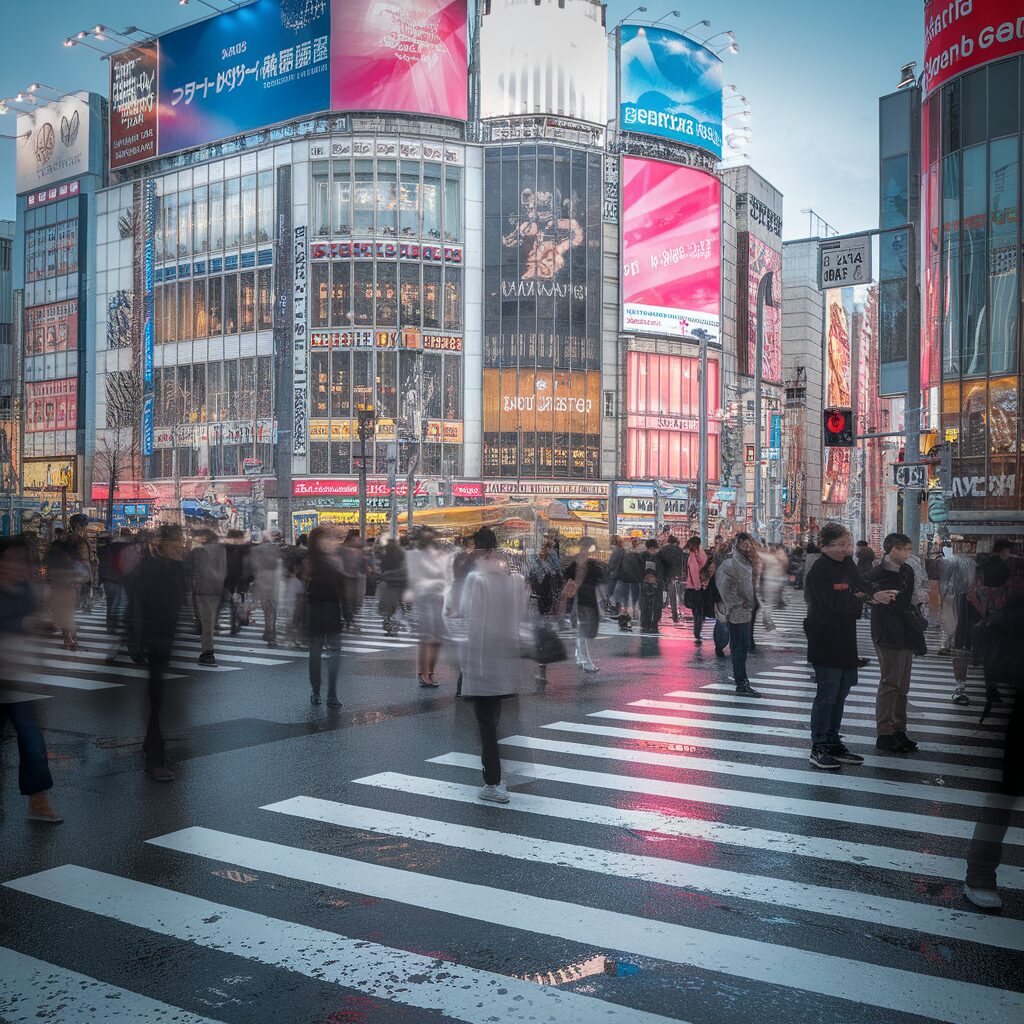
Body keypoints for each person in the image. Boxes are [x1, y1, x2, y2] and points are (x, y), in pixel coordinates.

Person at [804, 522, 897, 770]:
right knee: (827, 693)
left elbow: (860, 584)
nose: (848, 549)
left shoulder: (845, 564)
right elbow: (837, 605)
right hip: (824, 639)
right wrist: (861, 599)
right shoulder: (820, 570)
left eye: (848, 543)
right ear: (826, 546)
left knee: (842, 691)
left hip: (845, 639)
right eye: (842, 545)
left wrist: (875, 594)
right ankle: (819, 746)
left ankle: (833, 741)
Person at [458, 527, 527, 804]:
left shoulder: (477, 579)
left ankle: (493, 783)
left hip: (483, 663)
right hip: (504, 661)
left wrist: (471, 670)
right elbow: (520, 616)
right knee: (494, 722)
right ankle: (498, 776)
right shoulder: (512, 578)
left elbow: (473, 623)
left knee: (486, 727)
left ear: (478, 549)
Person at [0, 536, 61, 822]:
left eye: (19, 562)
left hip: (20, 679)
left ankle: (38, 802)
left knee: (32, 743)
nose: (15, 567)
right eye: (8, 561)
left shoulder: (28, 592)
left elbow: (38, 626)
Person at [131, 525, 187, 781]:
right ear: (162, 546)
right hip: (152, 639)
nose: (180, 547)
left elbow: (177, 604)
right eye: (175, 543)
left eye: (181, 542)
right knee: (158, 701)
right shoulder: (150, 569)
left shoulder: (178, 568)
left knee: (160, 700)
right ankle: (156, 758)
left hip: (166, 639)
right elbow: (137, 605)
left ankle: (150, 743)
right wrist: (135, 641)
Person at [867, 533, 923, 754]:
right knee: (890, 683)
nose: (909, 553)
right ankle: (885, 733)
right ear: (893, 550)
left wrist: (919, 599)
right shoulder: (878, 572)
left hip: (906, 631)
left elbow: (908, 600)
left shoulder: (907, 570)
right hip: (887, 632)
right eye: (905, 549)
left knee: (902, 685)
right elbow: (868, 596)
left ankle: (900, 729)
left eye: (909, 549)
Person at [716, 533, 760, 696]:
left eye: (749, 545)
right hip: (737, 610)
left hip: (746, 609)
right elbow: (724, 586)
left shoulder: (746, 561)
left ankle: (741, 680)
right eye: (744, 545)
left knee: (742, 647)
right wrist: (735, 604)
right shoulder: (731, 562)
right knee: (738, 648)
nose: (748, 547)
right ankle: (741, 682)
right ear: (737, 545)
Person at [304, 526, 344, 708]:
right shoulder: (311, 561)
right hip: (316, 608)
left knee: (333, 652)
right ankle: (317, 690)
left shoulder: (334, 560)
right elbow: (303, 586)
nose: (330, 542)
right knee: (316, 653)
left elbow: (343, 588)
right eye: (326, 539)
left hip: (333, 609)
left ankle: (332, 693)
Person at [407, 527, 451, 687]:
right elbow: (415, 578)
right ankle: (422, 673)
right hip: (422, 599)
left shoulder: (436, 555)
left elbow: (445, 574)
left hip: (438, 598)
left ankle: (431, 672)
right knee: (427, 638)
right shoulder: (413, 555)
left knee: (437, 638)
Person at [564, 537, 604, 672]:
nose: (586, 550)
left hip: (588, 599)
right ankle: (585, 661)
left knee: (584, 629)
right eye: (586, 547)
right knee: (583, 629)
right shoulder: (578, 563)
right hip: (580, 600)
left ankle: (579, 656)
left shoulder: (589, 564)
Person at [45, 526, 87, 650]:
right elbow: (76, 561)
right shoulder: (69, 546)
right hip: (66, 580)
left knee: (64, 610)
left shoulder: (55, 546)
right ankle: (69, 636)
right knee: (67, 610)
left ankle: (68, 636)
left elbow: (48, 561)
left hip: (59, 580)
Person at [188, 529, 227, 666]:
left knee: (206, 623)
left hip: (204, 589)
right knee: (209, 622)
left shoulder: (201, 551)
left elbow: (199, 571)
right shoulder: (221, 550)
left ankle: (207, 652)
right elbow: (224, 570)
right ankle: (208, 651)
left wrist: (195, 587)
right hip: (217, 588)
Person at [247, 531, 283, 647]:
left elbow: (253, 566)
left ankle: (268, 632)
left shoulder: (257, 550)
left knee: (266, 608)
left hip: (262, 580)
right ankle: (271, 633)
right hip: (275, 580)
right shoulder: (278, 550)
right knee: (272, 608)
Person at [376, 537, 408, 635]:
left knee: (390, 606)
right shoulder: (398, 555)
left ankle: (389, 623)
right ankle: (391, 624)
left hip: (389, 584)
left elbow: (381, 569)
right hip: (395, 584)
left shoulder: (386, 555)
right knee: (395, 606)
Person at [613, 538, 643, 631]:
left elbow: (617, 566)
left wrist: (616, 575)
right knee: (635, 596)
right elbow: (641, 566)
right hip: (636, 579)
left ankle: (625, 615)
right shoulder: (638, 555)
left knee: (625, 597)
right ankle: (634, 611)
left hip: (624, 578)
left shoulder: (623, 554)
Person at [683, 536, 709, 644]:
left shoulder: (697, 554)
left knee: (697, 609)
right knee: (696, 609)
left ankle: (697, 629)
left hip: (697, 586)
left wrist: (698, 585)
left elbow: (698, 570)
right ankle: (697, 628)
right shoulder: (695, 554)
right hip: (695, 586)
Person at [656, 535, 685, 623]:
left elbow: (659, 562)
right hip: (675, 574)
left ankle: (658, 614)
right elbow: (682, 562)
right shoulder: (679, 550)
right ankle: (675, 615)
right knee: (675, 595)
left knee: (662, 594)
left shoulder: (663, 549)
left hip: (664, 575)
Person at [638, 539, 663, 634]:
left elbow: (638, 568)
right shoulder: (659, 556)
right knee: (657, 604)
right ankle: (654, 624)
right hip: (657, 583)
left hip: (645, 582)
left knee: (645, 604)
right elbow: (661, 570)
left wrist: (644, 577)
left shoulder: (642, 556)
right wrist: (657, 579)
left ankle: (645, 624)